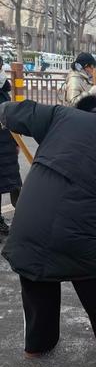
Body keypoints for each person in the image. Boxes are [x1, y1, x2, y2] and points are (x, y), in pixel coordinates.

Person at [0, 94, 96, 367]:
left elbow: (18, 112)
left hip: (30, 215)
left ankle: (37, 345)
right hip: (76, 225)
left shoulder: (63, 115)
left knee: (35, 274)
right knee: (95, 286)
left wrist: (4, 112)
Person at [0, 56, 21, 237]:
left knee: (9, 183)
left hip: (6, 142)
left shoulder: (3, 90)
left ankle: (20, 217)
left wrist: (16, 142)